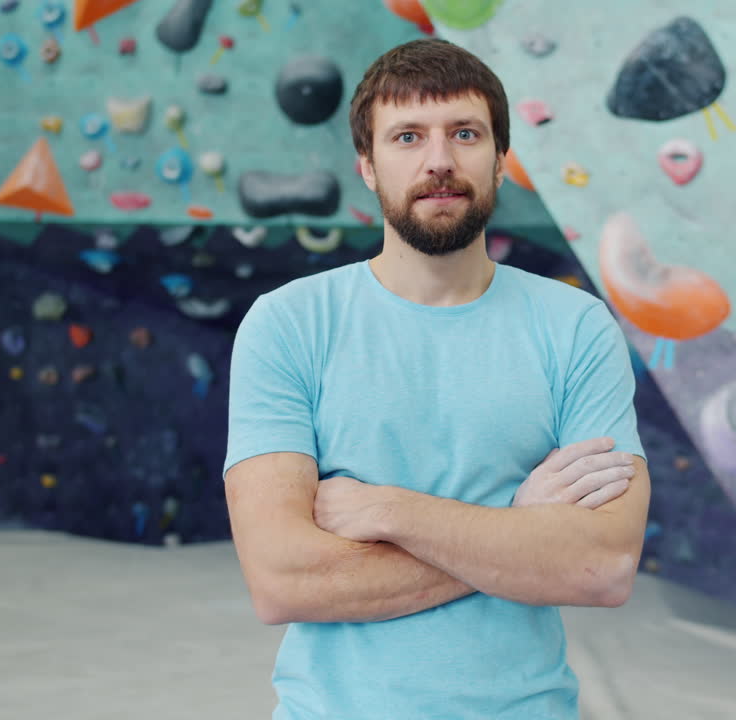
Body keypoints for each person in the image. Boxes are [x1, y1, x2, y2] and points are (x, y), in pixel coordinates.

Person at [222, 37, 650, 720]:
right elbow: (282, 580)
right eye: (408, 136)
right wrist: (518, 529)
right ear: (367, 165)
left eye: (465, 133)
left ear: (502, 160)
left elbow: (601, 565)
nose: (439, 161)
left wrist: (392, 512)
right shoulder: (288, 324)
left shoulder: (575, 327)